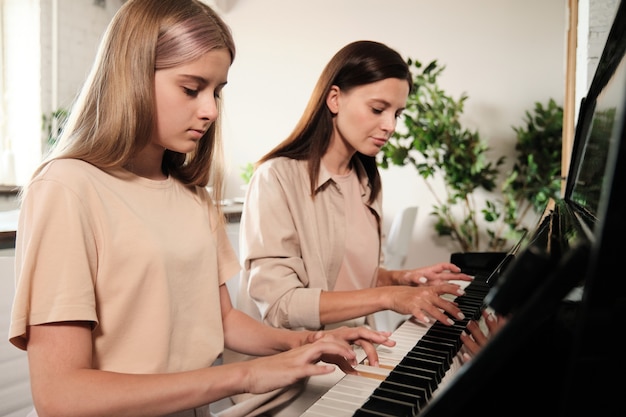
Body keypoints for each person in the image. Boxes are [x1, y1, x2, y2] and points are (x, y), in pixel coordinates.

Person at [7, 3, 396, 417]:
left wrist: (299, 343)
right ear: (132, 76)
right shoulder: (66, 187)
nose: (210, 110)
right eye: (192, 89)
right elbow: (61, 395)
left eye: (217, 91)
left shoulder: (192, 195)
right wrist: (247, 375)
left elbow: (222, 320)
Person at [222, 40, 480, 415]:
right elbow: (281, 304)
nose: (390, 126)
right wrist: (390, 298)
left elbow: (346, 273)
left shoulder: (365, 179)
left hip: (353, 349)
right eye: (378, 109)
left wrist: (401, 279)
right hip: (298, 369)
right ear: (335, 99)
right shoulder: (276, 177)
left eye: (397, 114)